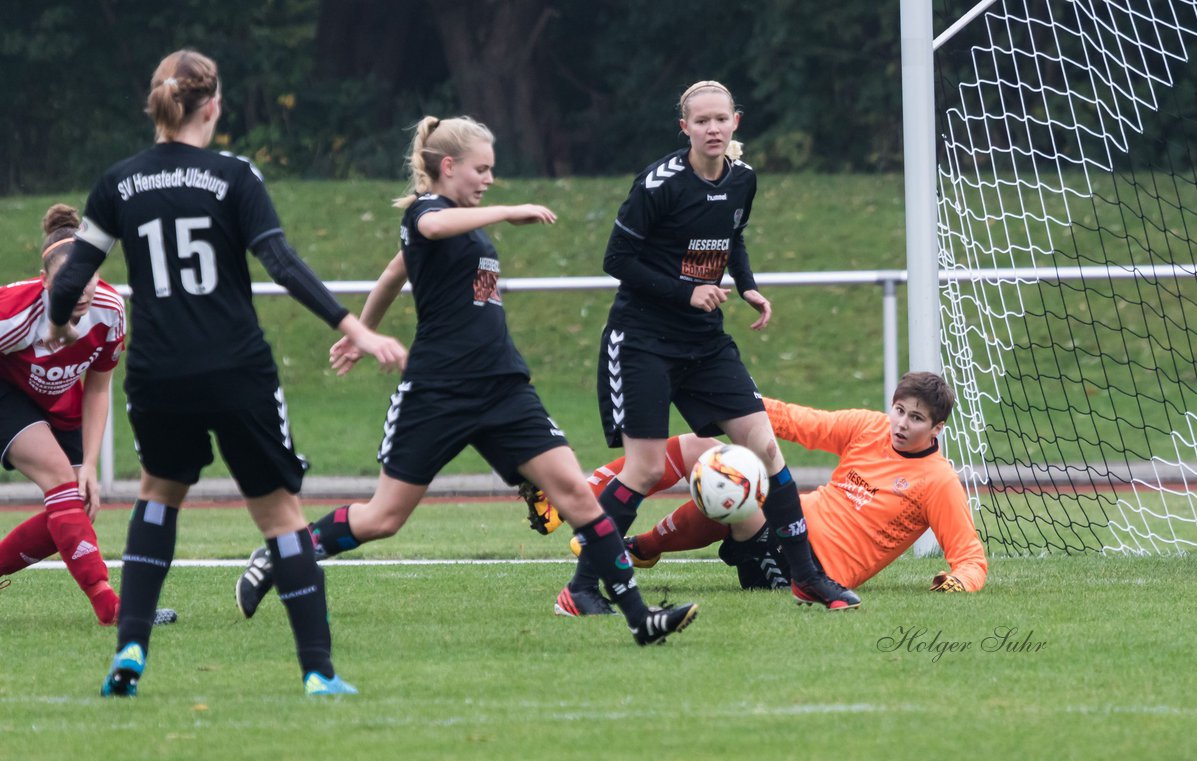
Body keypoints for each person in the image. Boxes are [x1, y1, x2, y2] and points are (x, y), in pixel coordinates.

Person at [232, 115, 698, 646]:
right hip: (438, 391)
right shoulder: (426, 215)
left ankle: (641, 619)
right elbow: (421, 239)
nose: (490, 180)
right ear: (447, 167)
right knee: (384, 518)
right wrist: (362, 334)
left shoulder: (467, 219)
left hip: (504, 387)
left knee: (576, 495)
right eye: (482, 169)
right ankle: (281, 553)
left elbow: (391, 276)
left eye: (492, 171)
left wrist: (362, 329)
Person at [48, 49, 407, 697]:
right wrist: (352, 327)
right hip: (236, 368)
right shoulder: (233, 176)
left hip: (159, 373)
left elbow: (70, 278)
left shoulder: (119, 182)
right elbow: (282, 262)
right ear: (212, 106)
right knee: (280, 517)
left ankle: (131, 647)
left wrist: (60, 326)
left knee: (158, 497)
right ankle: (318, 673)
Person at [583, 78, 857, 610]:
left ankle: (805, 576)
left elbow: (732, 235)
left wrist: (747, 284)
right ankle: (584, 585)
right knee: (641, 469)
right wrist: (688, 293)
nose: (712, 128)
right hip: (642, 340)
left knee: (767, 448)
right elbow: (616, 261)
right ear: (684, 127)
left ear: (736, 122)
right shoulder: (660, 184)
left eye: (721, 119)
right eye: (701, 121)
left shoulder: (743, 180)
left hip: (704, 344)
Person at [563, 372, 987, 594]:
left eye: (916, 419)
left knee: (733, 479)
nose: (901, 424)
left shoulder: (938, 480)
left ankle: (627, 541)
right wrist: (735, 402)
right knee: (701, 446)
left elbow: (969, 557)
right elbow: (798, 421)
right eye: (899, 411)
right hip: (785, 528)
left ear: (937, 429)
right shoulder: (869, 427)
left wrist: (960, 581)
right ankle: (636, 543)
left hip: (805, 570)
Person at [0, 204, 176, 626]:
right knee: (61, 482)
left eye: (88, 278)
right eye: (66, 282)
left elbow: (97, 386)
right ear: (44, 282)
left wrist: (92, 465)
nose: (79, 291)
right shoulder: (13, 314)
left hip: (60, 404)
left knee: (76, 501)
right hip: (7, 395)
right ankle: (112, 608)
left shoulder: (111, 312)